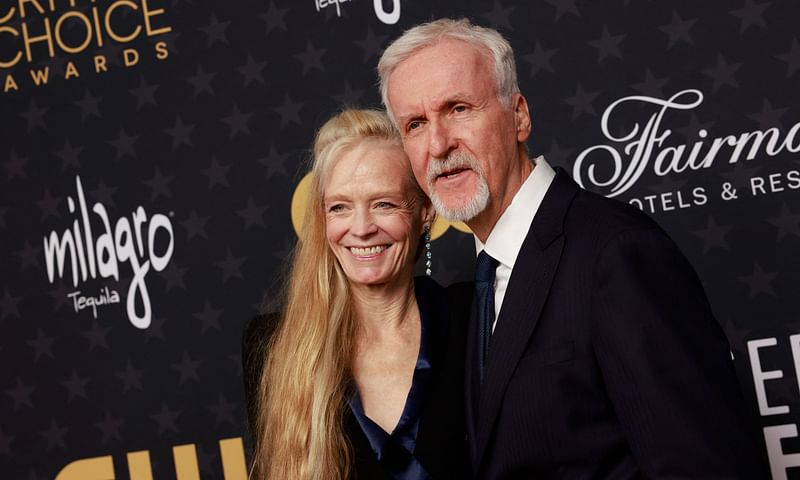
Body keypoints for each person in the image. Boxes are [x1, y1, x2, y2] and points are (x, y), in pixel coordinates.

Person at [378, 18, 766, 479]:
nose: (439, 144)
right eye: (416, 124)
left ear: (519, 115)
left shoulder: (615, 254)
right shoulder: (475, 292)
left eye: (459, 108)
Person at [241, 109, 472, 480]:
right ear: (322, 220)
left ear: (426, 212)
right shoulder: (274, 346)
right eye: (340, 208)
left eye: (384, 203)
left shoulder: (475, 318)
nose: (362, 228)